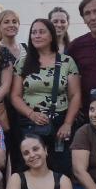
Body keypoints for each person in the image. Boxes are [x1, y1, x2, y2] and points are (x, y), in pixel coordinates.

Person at [9, 17, 81, 171]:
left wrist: (67, 124)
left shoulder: (67, 62)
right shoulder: (22, 62)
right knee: (29, 166)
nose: (37, 35)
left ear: (51, 36)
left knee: (59, 167)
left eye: (42, 32)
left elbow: (75, 95)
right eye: (33, 32)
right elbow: (15, 96)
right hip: (29, 123)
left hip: (59, 123)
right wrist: (31, 114)